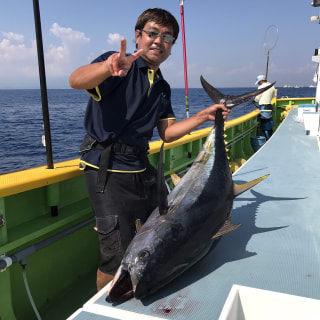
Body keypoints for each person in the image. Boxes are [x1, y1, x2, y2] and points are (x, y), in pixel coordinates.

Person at [69, 8, 230, 291]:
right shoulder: (119, 66)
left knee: (168, 230)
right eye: (152, 33)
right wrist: (108, 67)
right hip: (107, 170)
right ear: (138, 36)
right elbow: (76, 80)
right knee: (115, 254)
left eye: (167, 37)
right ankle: (106, 306)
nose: (159, 41)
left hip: (141, 167)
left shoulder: (163, 87)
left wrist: (204, 116)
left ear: (171, 46)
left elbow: (167, 132)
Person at [254, 74, 276, 139]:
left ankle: (267, 140)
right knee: (269, 125)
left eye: (258, 82)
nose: (258, 84)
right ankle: (271, 138)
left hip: (264, 108)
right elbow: (274, 95)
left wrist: (255, 100)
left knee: (264, 127)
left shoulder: (261, 87)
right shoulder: (272, 86)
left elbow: (257, 98)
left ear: (261, 81)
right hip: (269, 107)